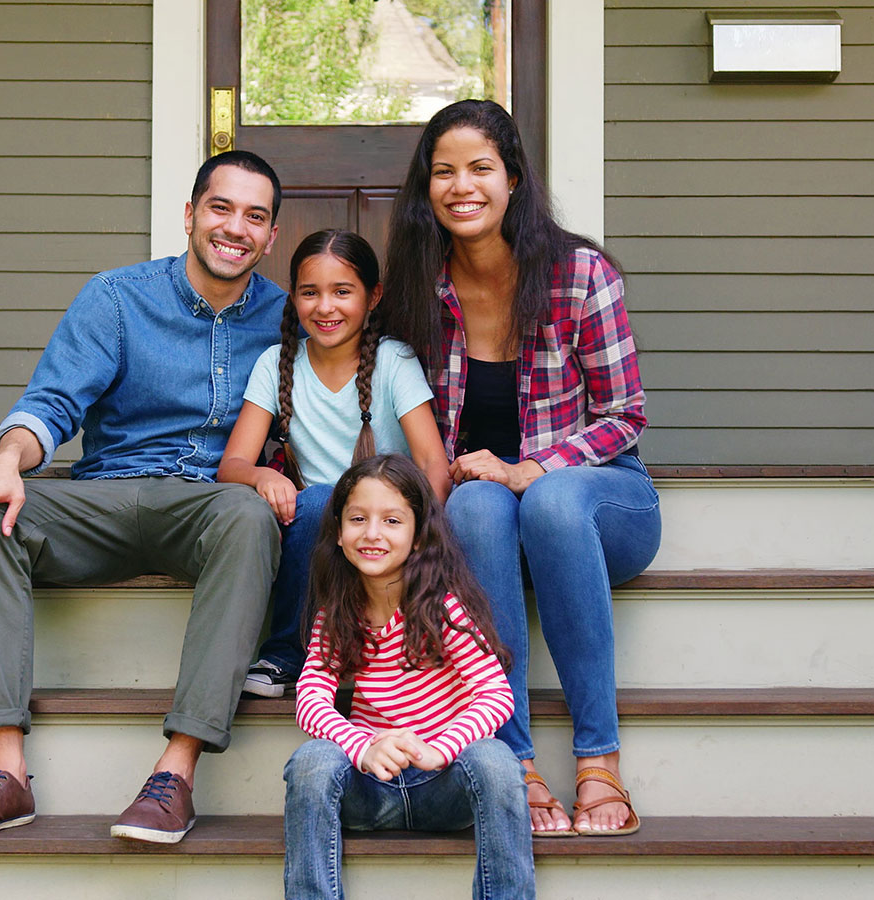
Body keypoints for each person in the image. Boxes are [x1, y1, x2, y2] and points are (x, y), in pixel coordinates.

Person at [0, 150, 287, 845]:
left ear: (270, 237)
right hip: (108, 497)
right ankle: (5, 775)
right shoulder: (117, 297)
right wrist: (6, 460)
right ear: (190, 215)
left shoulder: (287, 316)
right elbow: (53, 402)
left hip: (210, 508)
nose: (235, 227)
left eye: (255, 216)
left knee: (248, 516)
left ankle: (174, 775)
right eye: (221, 207)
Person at [380, 99, 662, 837]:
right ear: (425, 188)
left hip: (602, 507)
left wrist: (529, 468)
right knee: (472, 510)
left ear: (512, 180)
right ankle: (515, 762)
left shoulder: (578, 274)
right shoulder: (420, 286)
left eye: (480, 168)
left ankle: (600, 757)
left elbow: (624, 418)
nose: (460, 185)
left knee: (550, 503)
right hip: (489, 520)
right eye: (443, 171)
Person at [284, 454, 535, 900]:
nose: (373, 533)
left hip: (446, 785)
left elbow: (495, 694)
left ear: (419, 537)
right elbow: (311, 699)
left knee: (496, 760)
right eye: (357, 518)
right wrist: (363, 746)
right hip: (369, 788)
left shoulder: (443, 609)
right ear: (339, 534)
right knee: (311, 761)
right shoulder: (338, 614)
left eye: (392, 520)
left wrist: (442, 749)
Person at [217, 229, 448, 699]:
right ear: (294, 297)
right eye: (310, 292)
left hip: (388, 523)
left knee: (356, 510)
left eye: (342, 292)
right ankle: (288, 654)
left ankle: (391, 654)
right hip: (314, 530)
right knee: (319, 500)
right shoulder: (275, 364)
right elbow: (232, 464)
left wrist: (420, 526)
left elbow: (431, 463)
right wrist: (261, 474)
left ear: (372, 296)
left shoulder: (393, 361)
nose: (325, 307)